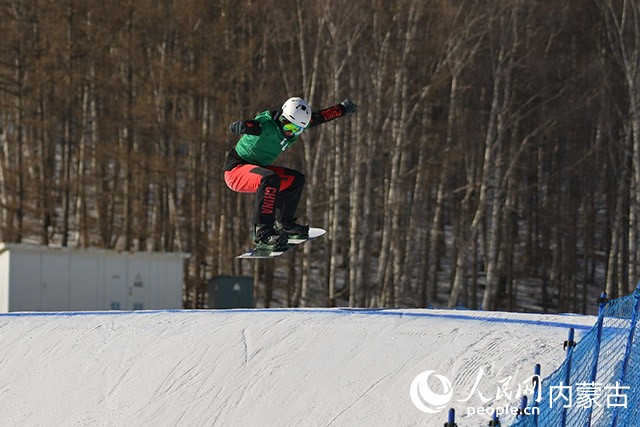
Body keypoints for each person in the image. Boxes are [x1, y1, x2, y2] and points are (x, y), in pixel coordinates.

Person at [225, 96, 357, 249]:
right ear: (281, 117)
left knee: (295, 180)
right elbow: (254, 125)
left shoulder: (294, 123)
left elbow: (321, 116)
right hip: (236, 171)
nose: (291, 132)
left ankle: (284, 224)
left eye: (297, 129)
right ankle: (261, 232)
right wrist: (241, 126)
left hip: (256, 169)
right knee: (270, 178)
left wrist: (342, 109)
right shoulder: (268, 125)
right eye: (288, 127)